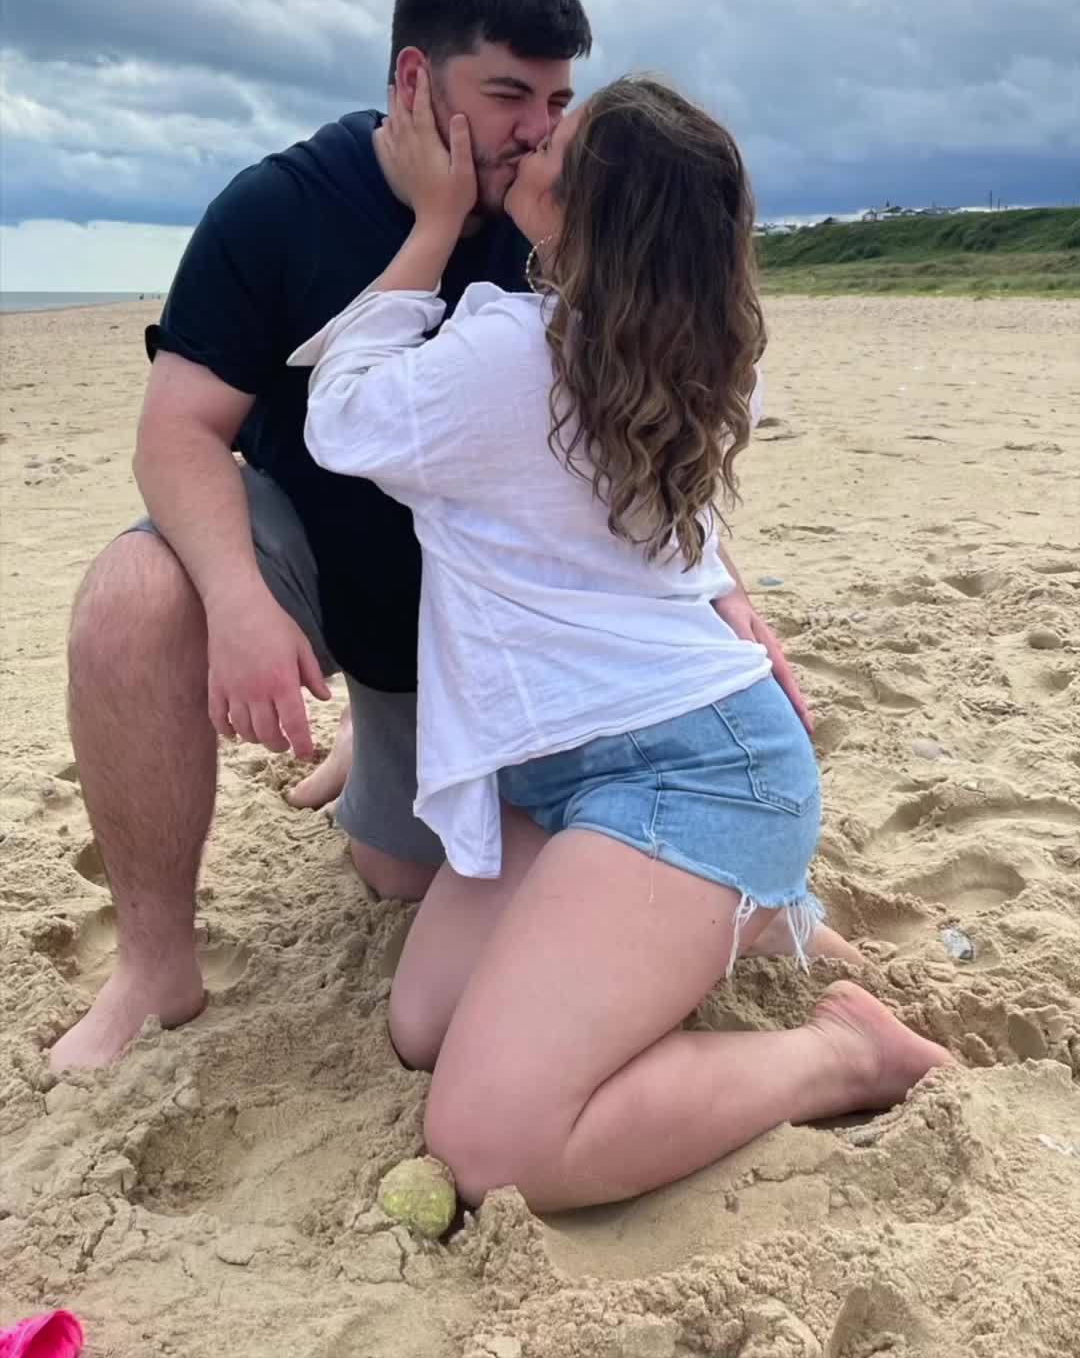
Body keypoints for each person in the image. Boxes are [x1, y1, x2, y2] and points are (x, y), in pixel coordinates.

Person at [289, 71, 954, 1215]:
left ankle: (840, 1056)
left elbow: (340, 412)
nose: (535, 135)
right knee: (424, 1025)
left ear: (582, 215)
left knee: (491, 1143)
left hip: (697, 777)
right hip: (575, 773)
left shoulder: (513, 359)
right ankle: (746, 919)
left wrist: (434, 224)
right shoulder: (678, 355)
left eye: (559, 141)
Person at [48, 0, 592, 1073]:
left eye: (556, 102)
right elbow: (176, 433)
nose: (537, 131)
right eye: (509, 96)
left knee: (402, 878)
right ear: (415, 80)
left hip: (481, 610)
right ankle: (154, 966)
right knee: (132, 594)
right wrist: (238, 602)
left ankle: (370, 740)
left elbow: (641, 432)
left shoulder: (555, 214)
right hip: (318, 549)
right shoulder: (277, 206)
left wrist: (726, 593)